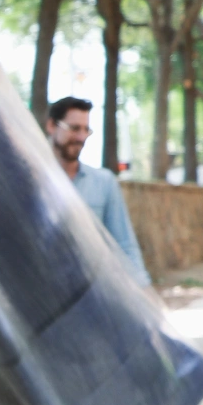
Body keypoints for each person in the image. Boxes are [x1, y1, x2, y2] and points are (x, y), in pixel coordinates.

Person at [45, 96, 151, 287]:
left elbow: (124, 244)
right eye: (74, 128)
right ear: (52, 126)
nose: (81, 137)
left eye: (86, 130)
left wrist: (143, 290)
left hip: (92, 294)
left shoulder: (104, 183)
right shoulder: (30, 180)